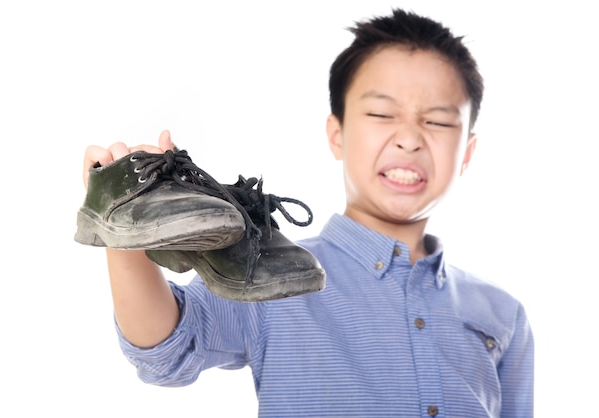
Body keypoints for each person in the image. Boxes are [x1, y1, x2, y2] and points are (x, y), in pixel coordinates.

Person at [79, 8, 534, 417]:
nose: (410, 138)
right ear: (337, 134)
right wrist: (124, 227)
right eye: (381, 114)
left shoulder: (503, 314)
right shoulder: (272, 271)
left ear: (468, 151)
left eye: (436, 121)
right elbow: (166, 351)